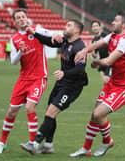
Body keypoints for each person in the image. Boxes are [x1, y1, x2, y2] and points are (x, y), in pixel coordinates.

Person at [0, 8, 61, 154]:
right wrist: (20, 52)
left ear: (27, 18)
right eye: (18, 18)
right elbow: (13, 61)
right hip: (23, 79)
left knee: (30, 107)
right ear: (15, 21)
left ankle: (32, 143)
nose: (21, 19)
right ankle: (2, 142)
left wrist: (55, 34)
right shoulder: (15, 38)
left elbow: (49, 33)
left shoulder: (37, 30)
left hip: (38, 77)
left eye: (23, 16)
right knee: (12, 111)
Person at [70, 11, 125, 157]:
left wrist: (96, 62)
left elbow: (108, 61)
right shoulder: (112, 35)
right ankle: (86, 149)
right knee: (94, 115)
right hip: (113, 83)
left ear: (124, 25)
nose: (112, 23)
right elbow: (97, 44)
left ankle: (107, 141)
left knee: (98, 113)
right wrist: (84, 50)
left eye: (116, 21)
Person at [19, 19, 88, 154]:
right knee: (49, 113)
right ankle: (48, 145)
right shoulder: (65, 41)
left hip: (73, 85)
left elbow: (80, 69)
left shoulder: (80, 47)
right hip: (62, 82)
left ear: (76, 30)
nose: (65, 27)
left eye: (69, 25)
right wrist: (34, 32)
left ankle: (34, 143)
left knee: (51, 112)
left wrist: (64, 73)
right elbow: (48, 41)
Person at [91, 20, 111, 85]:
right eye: (93, 26)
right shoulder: (94, 40)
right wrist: (93, 49)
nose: (95, 28)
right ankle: (109, 94)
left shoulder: (105, 35)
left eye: (96, 26)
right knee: (105, 83)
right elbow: (94, 55)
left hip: (109, 61)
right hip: (102, 63)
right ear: (91, 28)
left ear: (100, 27)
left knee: (106, 81)